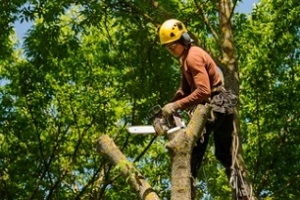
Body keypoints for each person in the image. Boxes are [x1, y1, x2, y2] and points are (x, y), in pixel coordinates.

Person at [158, 19, 251, 200]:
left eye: (173, 45)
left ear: (183, 39)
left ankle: (188, 190)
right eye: (168, 47)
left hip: (216, 103)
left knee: (191, 146)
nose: (171, 50)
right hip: (224, 106)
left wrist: (176, 106)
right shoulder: (185, 60)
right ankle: (242, 192)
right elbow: (184, 91)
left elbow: (203, 91)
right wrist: (167, 108)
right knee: (223, 154)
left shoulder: (192, 57)